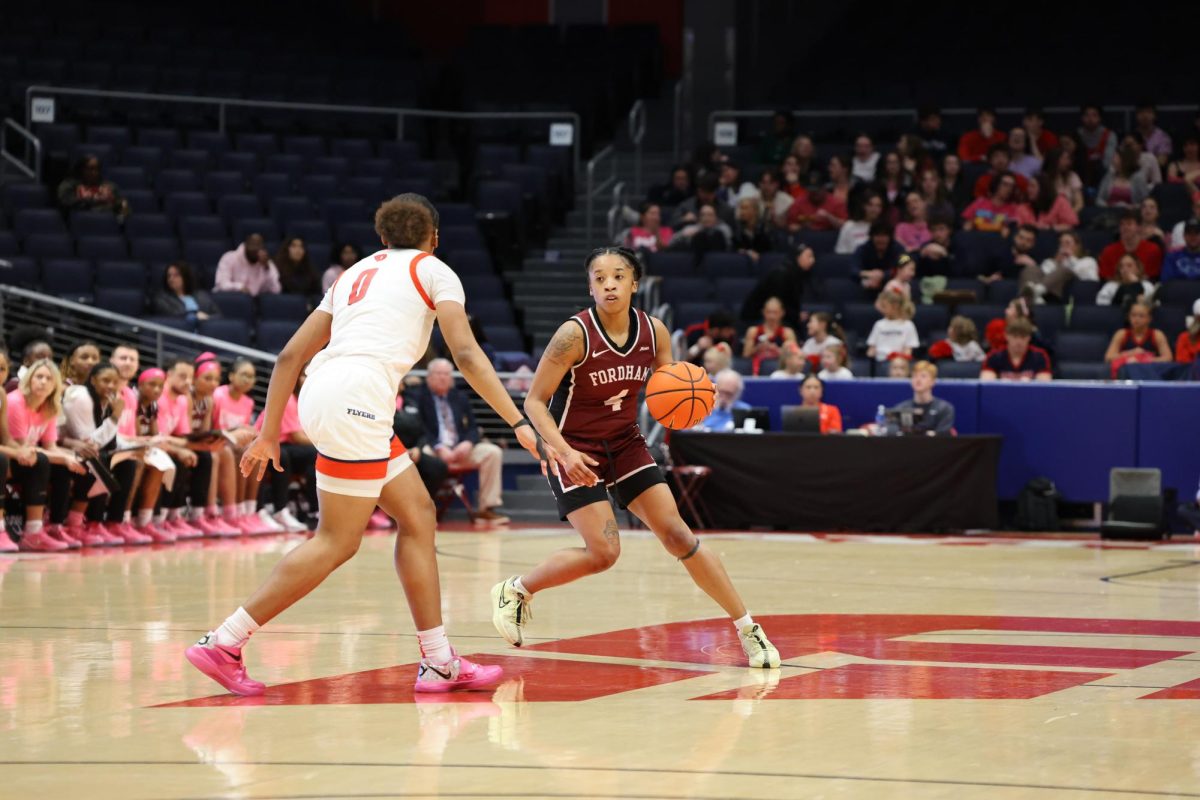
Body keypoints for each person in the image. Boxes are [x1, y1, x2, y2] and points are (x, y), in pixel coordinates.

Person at [188, 193, 544, 695]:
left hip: (325, 391)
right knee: (338, 541)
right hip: (358, 396)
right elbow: (464, 352)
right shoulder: (435, 270)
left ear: (381, 238)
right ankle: (224, 642)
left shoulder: (351, 275)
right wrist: (519, 421)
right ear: (434, 238)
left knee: (418, 513)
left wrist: (270, 432)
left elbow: (290, 355)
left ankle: (439, 660)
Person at [493, 248, 779, 669]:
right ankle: (516, 589)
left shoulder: (654, 331)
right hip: (573, 447)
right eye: (600, 277)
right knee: (604, 553)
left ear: (634, 283)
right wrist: (563, 452)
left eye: (618, 276)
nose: (609, 284)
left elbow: (670, 390)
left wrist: (694, 398)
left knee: (678, 535)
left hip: (625, 443)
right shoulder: (574, 335)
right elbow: (535, 402)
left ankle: (748, 629)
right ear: (590, 286)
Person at [9, 360, 90, 550]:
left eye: (49, 378)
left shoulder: (50, 407)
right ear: (29, 380)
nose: (44, 382)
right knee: (45, 462)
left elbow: (50, 446)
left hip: (29, 458)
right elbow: (22, 449)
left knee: (73, 464)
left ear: (56, 385)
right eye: (39, 377)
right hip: (12, 458)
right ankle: (32, 532)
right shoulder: (15, 402)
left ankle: (56, 526)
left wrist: (72, 457)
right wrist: (64, 457)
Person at [416, 358, 509, 525]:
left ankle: (486, 509)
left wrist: (467, 443)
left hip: (460, 451)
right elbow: (420, 428)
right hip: (434, 451)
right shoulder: (420, 397)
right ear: (429, 377)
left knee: (493, 452)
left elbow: (472, 428)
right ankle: (422, 510)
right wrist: (439, 447)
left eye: (446, 374)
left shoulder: (460, 398)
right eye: (439, 374)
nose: (443, 378)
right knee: (422, 455)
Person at [251, 371, 314, 533]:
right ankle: (286, 509)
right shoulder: (288, 399)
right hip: (264, 444)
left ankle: (313, 508)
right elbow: (297, 437)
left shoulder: (306, 401)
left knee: (316, 455)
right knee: (311, 454)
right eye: (303, 374)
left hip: (284, 445)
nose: (307, 379)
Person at [739, 244, 819, 327]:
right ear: (797, 257)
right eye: (809, 256)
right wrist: (795, 316)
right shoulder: (782, 275)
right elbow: (776, 302)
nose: (812, 260)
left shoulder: (796, 273)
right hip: (758, 318)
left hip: (780, 317)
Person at [1023, 230, 1099, 303]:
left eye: (1067, 243)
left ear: (1077, 246)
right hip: (1047, 292)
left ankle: (1035, 293)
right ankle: (1034, 297)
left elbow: (1085, 277)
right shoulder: (1051, 261)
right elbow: (1043, 274)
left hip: (1072, 293)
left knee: (1064, 270)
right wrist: (1056, 262)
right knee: (1031, 269)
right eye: (1061, 243)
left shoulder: (1088, 261)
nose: (1063, 246)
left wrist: (1070, 258)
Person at [888, 361, 955, 435]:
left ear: (933, 381)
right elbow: (892, 431)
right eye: (915, 376)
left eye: (923, 376)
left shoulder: (944, 409)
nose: (918, 380)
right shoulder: (901, 408)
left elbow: (943, 435)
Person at [1104, 299, 1172, 373]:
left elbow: (1168, 358)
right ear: (1128, 317)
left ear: (1149, 318)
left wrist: (1144, 359)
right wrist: (1131, 353)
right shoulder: (1121, 334)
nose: (1136, 319)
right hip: (1127, 371)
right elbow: (1109, 357)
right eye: (1133, 315)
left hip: (1150, 371)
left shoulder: (1157, 334)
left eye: (1141, 316)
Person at [57, 154, 129, 218]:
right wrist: (95, 200)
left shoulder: (110, 186)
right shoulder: (69, 185)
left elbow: (122, 205)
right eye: (90, 169)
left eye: (97, 169)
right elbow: (66, 202)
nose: (94, 172)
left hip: (105, 222)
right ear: (81, 169)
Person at [980, 318, 1052, 381]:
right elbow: (986, 384)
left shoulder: (1040, 356)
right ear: (1006, 335)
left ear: (1029, 338)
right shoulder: (994, 356)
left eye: (1023, 337)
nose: (1019, 341)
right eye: (1015, 336)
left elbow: (1044, 385)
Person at [1099, 210, 1163, 280]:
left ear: (1139, 227)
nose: (1125, 227)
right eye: (1122, 224)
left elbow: (1154, 278)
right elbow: (1105, 279)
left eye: (1129, 224)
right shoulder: (1108, 251)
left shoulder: (1153, 250)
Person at [152, 262, 220, 327]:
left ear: (186, 277)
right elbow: (173, 315)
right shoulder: (161, 298)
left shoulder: (201, 295)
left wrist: (207, 318)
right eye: (169, 276)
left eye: (176, 275)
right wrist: (196, 316)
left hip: (204, 334)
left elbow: (218, 316)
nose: (171, 279)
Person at [214, 233, 281, 297]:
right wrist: (240, 287)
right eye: (253, 245)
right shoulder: (229, 257)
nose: (255, 248)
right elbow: (221, 284)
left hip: (252, 304)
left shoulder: (266, 264)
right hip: (228, 299)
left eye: (258, 245)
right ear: (245, 245)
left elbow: (276, 290)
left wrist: (266, 268)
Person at [741, 297, 796, 375]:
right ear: (763, 312)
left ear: (782, 313)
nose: (771, 316)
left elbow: (794, 358)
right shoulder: (753, 331)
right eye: (769, 312)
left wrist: (776, 349)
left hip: (780, 370)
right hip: (755, 369)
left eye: (775, 312)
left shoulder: (787, 332)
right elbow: (745, 355)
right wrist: (758, 348)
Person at [866, 292, 919, 363]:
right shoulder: (879, 324)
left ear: (895, 306)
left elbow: (908, 349)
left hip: (899, 362)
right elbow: (872, 348)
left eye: (884, 306)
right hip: (880, 362)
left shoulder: (908, 325)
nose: (881, 310)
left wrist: (901, 360)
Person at [854, 222, 903, 291]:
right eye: (877, 235)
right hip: (866, 284)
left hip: (891, 286)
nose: (881, 239)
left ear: (890, 237)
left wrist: (883, 275)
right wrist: (869, 274)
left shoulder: (898, 248)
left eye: (884, 236)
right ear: (872, 237)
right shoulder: (862, 249)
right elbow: (853, 270)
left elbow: (903, 267)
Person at [1077, 104, 1118, 187]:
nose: (1090, 119)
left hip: (1103, 174)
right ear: (1082, 118)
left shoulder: (1109, 135)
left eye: (1094, 115)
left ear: (1100, 118)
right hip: (1081, 174)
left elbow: (1108, 161)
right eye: (1087, 115)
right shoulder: (1077, 135)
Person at [1044, 147, 1085, 212]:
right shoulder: (1044, 178)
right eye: (1064, 159)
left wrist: (1069, 215)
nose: (1068, 162)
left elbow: (1079, 203)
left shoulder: (1072, 176)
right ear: (1055, 159)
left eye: (1068, 159)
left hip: (1069, 214)